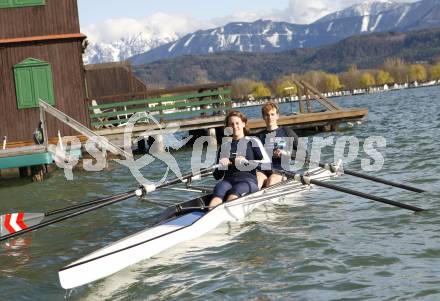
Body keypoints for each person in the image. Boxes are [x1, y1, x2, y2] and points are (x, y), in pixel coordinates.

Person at [209, 110, 270, 208]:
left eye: (237, 123)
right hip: (227, 181)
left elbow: (267, 164)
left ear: (243, 124)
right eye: (231, 124)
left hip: (248, 181)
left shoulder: (253, 141)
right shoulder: (224, 146)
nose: (235, 126)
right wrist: (221, 166)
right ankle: (209, 216)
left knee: (233, 195)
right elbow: (217, 176)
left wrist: (247, 162)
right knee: (218, 190)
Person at [256, 101, 302, 188]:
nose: (270, 117)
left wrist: (285, 153)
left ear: (277, 116)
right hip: (265, 170)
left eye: (272, 114)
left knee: (271, 181)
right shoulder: (259, 136)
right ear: (263, 117)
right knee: (257, 181)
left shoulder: (286, 132)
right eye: (267, 115)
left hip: (283, 169)